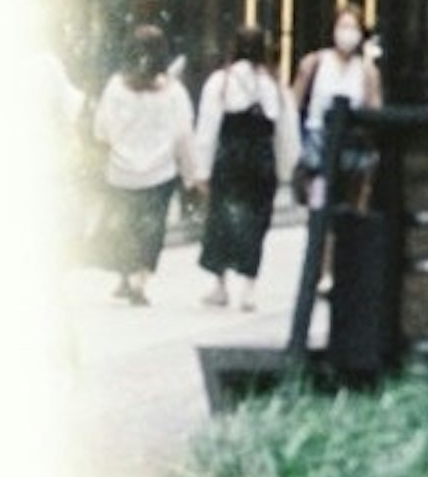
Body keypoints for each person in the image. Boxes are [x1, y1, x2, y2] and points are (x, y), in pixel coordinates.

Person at [191, 29, 296, 312]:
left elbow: (207, 128)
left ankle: (219, 284)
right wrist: (287, 168)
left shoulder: (221, 82)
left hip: (229, 160)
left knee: (221, 221)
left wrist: (201, 169)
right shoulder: (274, 85)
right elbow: (286, 132)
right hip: (262, 162)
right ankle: (249, 286)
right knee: (256, 223)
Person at [93, 29, 193, 304]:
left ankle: (124, 276)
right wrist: (191, 173)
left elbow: (101, 129)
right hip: (160, 171)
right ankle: (140, 280)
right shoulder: (174, 92)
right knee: (151, 228)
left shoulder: (115, 87)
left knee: (125, 226)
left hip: (121, 170)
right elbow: (183, 134)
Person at [293, 0, 373, 208]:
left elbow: (374, 110)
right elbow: (294, 104)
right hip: (317, 146)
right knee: (318, 203)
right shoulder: (314, 63)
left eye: (353, 27)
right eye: (343, 26)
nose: (347, 33)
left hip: (351, 147)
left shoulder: (367, 71)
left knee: (348, 207)